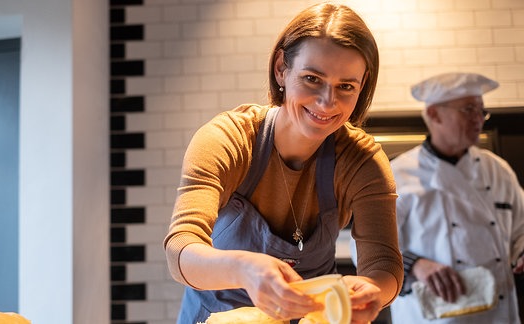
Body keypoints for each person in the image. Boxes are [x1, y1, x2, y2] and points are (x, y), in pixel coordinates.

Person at [163, 2, 403, 323]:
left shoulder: (362, 161)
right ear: (281, 68)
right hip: (216, 316)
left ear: (362, 86)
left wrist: (372, 289)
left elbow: (384, 263)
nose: (327, 102)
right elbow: (180, 248)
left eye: (346, 86)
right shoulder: (228, 139)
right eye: (312, 78)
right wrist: (244, 270)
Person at [390, 72, 524, 323]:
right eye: (468, 110)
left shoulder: (498, 170)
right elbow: (366, 248)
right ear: (434, 114)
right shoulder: (398, 174)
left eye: (482, 111)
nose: (478, 120)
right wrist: (415, 265)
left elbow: (520, 231)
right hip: (432, 315)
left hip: (498, 315)